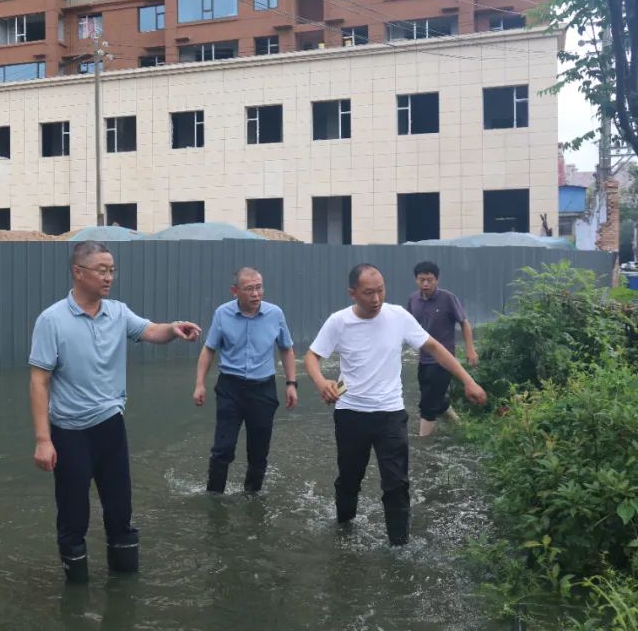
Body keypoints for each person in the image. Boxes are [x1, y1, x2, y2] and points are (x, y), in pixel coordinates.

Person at [29, 241, 202, 583]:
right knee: (74, 516)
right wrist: (42, 440)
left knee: (120, 511)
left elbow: (150, 330)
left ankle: (124, 587)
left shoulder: (118, 313)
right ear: (78, 272)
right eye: (101, 270)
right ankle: (76, 590)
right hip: (69, 432)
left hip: (110, 426)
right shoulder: (52, 320)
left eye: (112, 271)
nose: (109, 277)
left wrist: (173, 329)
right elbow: (39, 381)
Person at [304, 263, 486, 546]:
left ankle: (399, 546)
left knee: (396, 483)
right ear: (353, 293)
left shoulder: (398, 316)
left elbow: (434, 347)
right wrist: (321, 382)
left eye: (380, 290)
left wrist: (468, 380)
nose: (376, 298)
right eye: (368, 293)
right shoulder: (339, 322)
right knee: (349, 479)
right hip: (350, 413)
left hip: (391, 414)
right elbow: (312, 356)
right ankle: (344, 532)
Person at [193, 267, 297, 494]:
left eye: (259, 287)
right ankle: (214, 496)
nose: (256, 294)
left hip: (263, 389)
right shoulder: (223, 313)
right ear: (235, 291)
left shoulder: (275, 314)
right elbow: (209, 349)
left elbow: (286, 348)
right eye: (249, 289)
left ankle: (252, 496)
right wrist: (200, 384)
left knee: (259, 452)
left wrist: (291, 384)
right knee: (223, 449)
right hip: (230, 388)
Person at [406, 260, 479, 437]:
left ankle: (423, 444)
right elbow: (407, 325)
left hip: (444, 360)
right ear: (416, 280)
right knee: (432, 396)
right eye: (422, 280)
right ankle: (460, 425)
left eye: (429, 280)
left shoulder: (448, 298)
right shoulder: (413, 300)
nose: (425, 284)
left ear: (437, 280)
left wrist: (470, 349)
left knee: (427, 406)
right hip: (424, 358)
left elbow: (464, 323)